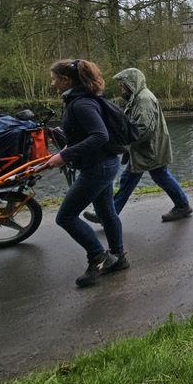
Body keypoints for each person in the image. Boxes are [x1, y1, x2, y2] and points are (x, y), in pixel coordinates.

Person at [45, 59, 128, 288]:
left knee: (65, 216)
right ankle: (119, 257)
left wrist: (65, 156)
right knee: (106, 211)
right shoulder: (81, 99)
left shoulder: (80, 104)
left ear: (65, 80)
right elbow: (82, 134)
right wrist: (65, 149)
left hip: (98, 167)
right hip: (104, 163)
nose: (52, 83)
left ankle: (99, 257)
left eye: (54, 79)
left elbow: (100, 135)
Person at [83, 68, 192, 225]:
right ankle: (182, 205)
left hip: (148, 149)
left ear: (131, 84)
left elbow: (144, 129)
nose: (121, 88)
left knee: (130, 178)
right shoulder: (138, 97)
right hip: (148, 148)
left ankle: (107, 214)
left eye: (123, 85)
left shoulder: (144, 100)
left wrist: (124, 143)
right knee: (160, 175)